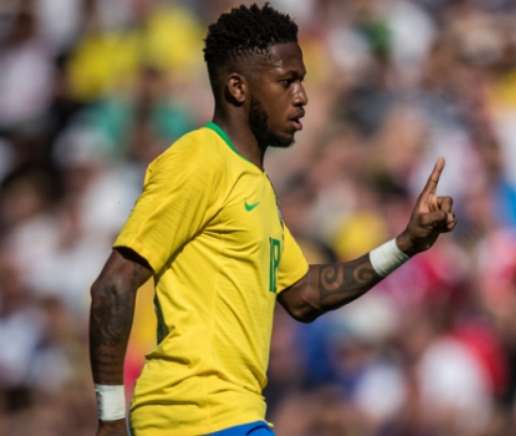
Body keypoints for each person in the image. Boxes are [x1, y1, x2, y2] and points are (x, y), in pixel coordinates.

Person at [88, 3, 455, 435]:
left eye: (301, 81)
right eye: (287, 81)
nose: (302, 96)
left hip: (230, 417)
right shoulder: (200, 159)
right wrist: (111, 421)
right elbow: (113, 284)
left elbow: (305, 294)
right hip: (196, 416)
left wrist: (406, 244)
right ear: (238, 88)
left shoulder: (255, 185)